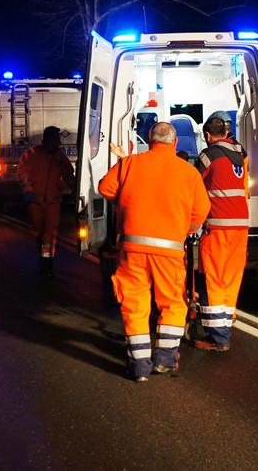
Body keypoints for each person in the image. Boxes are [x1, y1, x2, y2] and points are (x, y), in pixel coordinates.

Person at [99, 123, 210, 382]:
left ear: (150, 141)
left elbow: (105, 188)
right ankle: (165, 360)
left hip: (132, 248)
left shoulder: (130, 164)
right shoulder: (189, 172)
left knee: (134, 303)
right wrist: (185, 228)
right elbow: (201, 210)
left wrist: (126, 200)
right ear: (174, 144)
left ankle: (139, 367)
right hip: (169, 251)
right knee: (171, 303)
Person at [191, 112, 249, 352]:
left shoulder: (209, 155)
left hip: (219, 226)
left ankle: (219, 338)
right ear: (227, 132)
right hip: (241, 226)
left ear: (207, 135)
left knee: (213, 279)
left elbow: (192, 183)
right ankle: (226, 323)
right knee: (230, 278)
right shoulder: (240, 152)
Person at [18, 126, 76, 276]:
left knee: (49, 235)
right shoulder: (32, 154)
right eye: (56, 139)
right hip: (35, 203)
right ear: (48, 139)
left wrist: (77, 189)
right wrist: (28, 190)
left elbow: (69, 175)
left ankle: (47, 265)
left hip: (52, 203)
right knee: (38, 233)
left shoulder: (59, 157)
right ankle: (43, 258)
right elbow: (23, 173)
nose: (59, 142)